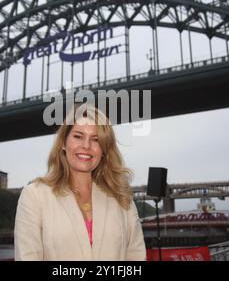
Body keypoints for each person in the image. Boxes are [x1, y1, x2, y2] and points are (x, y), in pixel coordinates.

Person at [14, 104, 146, 261]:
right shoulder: (34, 195)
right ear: (63, 143)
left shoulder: (121, 197)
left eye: (96, 140)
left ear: (103, 150)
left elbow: (136, 256)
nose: (86, 146)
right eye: (78, 136)